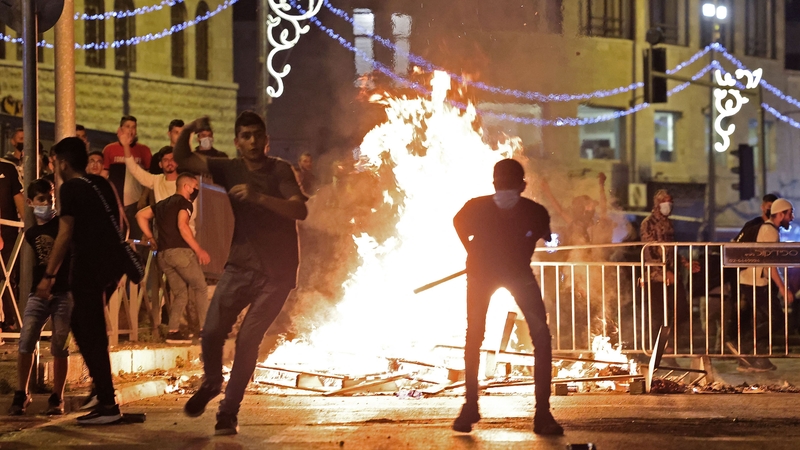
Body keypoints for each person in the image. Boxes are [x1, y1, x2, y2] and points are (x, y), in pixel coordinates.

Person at [175, 112, 307, 436]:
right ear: (236, 142)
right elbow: (183, 158)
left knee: (248, 341)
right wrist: (189, 129)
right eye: (245, 136)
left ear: (266, 140)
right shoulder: (229, 167)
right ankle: (211, 382)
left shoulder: (280, 170)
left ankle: (228, 412)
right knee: (210, 332)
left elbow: (299, 209)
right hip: (241, 264)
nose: (251, 141)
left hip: (277, 273)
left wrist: (259, 197)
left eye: (257, 135)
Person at [451, 159, 562, 435]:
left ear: (494, 182)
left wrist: (472, 249)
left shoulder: (475, 207)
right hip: (515, 274)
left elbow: (457, 222)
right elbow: (548, 238)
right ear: (523, 185)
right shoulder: (534, 211)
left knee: (474, 337)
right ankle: (542, 414)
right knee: (541, 337)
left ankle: (470, 407)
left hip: (482, 274)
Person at [36, 137, 135, 425]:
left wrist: (48, 276)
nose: (55, 167)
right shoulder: (100, 183)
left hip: (88, 268)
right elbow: (118, 222)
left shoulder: (70, 188)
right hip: (110, 268)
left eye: (55, 162)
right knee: (86, 326)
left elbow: (65, 233)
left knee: (86, 328)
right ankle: (102, 393)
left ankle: (107, 403)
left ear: (63, 163)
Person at [7, 179, 72, 416]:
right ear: (31, 203)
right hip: (38, 292)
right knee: (26, 341)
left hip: (64, 292)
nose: (47, 203)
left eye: (50, 199)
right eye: (42, 200)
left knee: (60, 345)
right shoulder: (32, 232)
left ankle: (58, 397)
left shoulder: (63, 225)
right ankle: (21, 393)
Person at [136, 173, 209, 344]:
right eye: (195, 186)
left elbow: (140, 215)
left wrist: (151, 237)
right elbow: (183, 226)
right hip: (180, 253)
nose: (196, 189)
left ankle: (173, 332)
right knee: (201, 287)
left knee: (180, 293)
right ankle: (206, 330)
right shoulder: (185, 203)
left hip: (163, 255)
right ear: (186, 187)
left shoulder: (161, 205)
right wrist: (198, 250)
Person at [731, 198, 793, 372]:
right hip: (755, 282)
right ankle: (743, 347)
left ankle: (753, 359)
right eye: (790, 213)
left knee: (768, 319)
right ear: (780, 214)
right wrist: (783, 288)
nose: (792, 217)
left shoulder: (769, 229)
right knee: (776, 319)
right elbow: (770, 264)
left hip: (753, 281)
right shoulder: (769, 231)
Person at [641, 189, 699, 351]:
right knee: (659, 314)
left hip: (674, 275)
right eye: (665, 201)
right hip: (656, 278)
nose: (669, 204)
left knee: (681, 310)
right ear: (658, 203)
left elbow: (671, 250)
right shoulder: (648, 223)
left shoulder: (669, 223)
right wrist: (663, 271)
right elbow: (649, 251)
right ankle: (659, 346)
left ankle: (670, 342)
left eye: (670, 201)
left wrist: (685, 262)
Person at [102, 115, 152, 238]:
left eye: (134, 127)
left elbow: (149, 177)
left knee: (136, 237)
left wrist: (143, 197)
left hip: (136, 203)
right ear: (121, 129)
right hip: (115, 202)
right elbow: (104, 175)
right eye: (128, 127)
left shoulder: (144, 150)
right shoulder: (109, 149)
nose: (131, 130)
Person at [0, 156, 24, 332]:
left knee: (7, 277)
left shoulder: (8, 168)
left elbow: (19, 199)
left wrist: (28, 227)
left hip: (7, 233)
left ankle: (9, 321)